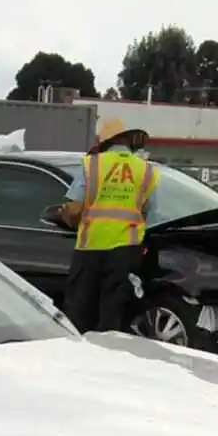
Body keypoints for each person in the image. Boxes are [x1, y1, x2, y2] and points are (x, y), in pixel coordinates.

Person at [55, 117, 159, 334]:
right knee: (114, 318)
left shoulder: (92, 164)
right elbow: (147, 211)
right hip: (126, 250)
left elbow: (74, 209)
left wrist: (66, 218)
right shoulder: (146, 171)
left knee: (79, 316)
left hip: (90, 249)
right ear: (130, 139)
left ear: (106, 142)